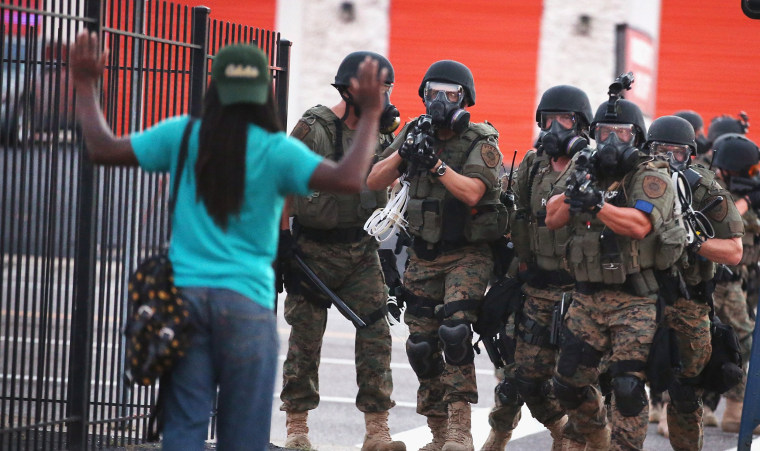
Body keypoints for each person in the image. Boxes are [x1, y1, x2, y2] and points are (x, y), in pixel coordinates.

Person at [69, 31, 387, 451]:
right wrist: (369, 114)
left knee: (183, 426)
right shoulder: (276, 150)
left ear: (214, 88)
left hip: (184, 304)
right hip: (246, 306)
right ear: (263, 95)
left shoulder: (183, 135)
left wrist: (85, 85)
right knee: (242, 436)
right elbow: (349, 179)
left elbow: (102, 148)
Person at [367, 60, 507, 451]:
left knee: (455, 331)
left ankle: (461, 432)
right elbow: (374, 179)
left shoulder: (480, 140)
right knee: (421, 345)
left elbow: (473, 192)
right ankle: (438, 434)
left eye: (450, 94)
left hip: (467, 254)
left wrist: (436, 164)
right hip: (424, 256)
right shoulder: (415, 130)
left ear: (465, 98)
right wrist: (405, 154)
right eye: (433, 93)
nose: (440, 101)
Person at [277, 51, 406, 451]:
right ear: (351, 90)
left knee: (377, 334)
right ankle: (297, 429)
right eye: (377, 90)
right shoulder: (313, 128)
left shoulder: (380, 134)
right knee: (305, 340)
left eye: (386, 90)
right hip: (311, 250)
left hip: (361, 251)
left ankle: (377, 431)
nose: (383, 98)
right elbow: (282, 181)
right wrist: (281, 241)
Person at [544, 96, 685, 450]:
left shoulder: (650, 174)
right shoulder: (585, 164)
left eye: (620, 133)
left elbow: (638, 225)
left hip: (634, 299)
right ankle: (597, 435)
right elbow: (552, 217)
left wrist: (596, 204)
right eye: (604, 132)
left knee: (627, 386)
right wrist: (575, 190)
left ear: (635, 137)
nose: (610, 140)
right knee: (566, 383)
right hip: (588, 296)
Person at [481, 85, 593, 451]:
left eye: (565, 119)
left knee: (574, 379)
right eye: (550, 119)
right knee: (520, 377)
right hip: (535, 286)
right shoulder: (533, 163)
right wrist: (511, 277)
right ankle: (511, 433)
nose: (556, 126)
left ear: (581, 125)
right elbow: (520, 217)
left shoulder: (591, 167)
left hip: (578, 292)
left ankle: (576, 441)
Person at [644, 115, 743, 450]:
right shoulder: (633, 180)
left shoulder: (705, 187)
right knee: (622, 386)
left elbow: (734, 252)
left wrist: (694, 241)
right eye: (660, 151)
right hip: (636, 296)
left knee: (686, 392)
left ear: (691, 154)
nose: (669, 159)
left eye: (678, 152)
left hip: (687, 298)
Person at [707, 133, 760, 434]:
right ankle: (675, 410)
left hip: (736, 281)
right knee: (705, 342)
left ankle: (733, 410)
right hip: (713, 281)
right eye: (748, 172)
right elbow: (717, 219)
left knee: (733, 343)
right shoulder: (710, 188)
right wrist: (747, 200)